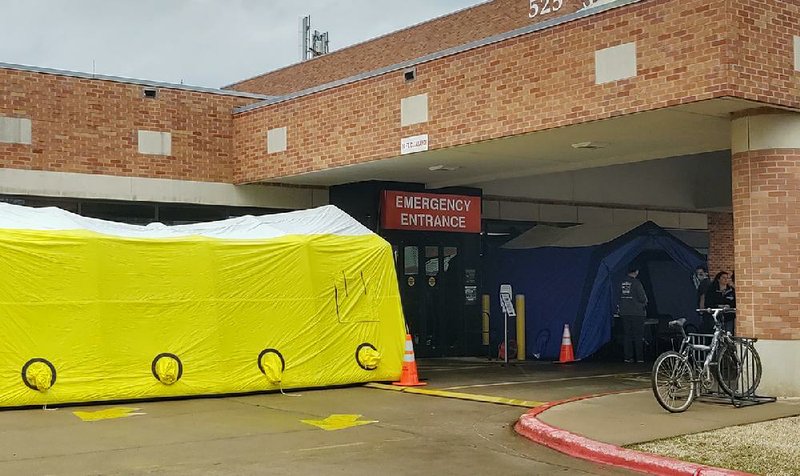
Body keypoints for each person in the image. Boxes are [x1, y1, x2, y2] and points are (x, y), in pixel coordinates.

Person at [618, 265, 648, 363]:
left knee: (627, 335)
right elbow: (642, 298)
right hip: (637, 313)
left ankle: (628, 357)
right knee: (638, 336)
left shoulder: (621, 282)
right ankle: (639, 358)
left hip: (624, 312)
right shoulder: (636, 283)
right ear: (636, 271)